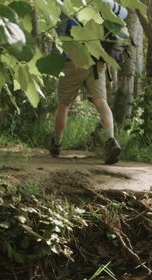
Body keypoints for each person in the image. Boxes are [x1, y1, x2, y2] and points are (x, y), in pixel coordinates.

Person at [48, 0, 127, 165]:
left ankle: (56, 143)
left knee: (64, 104)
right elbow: (124, 14)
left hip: (73, 60)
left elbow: (58, 29)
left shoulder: (69, 4)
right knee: (101, 102)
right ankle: (111, 140)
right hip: (97, 61)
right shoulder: (105, 3)